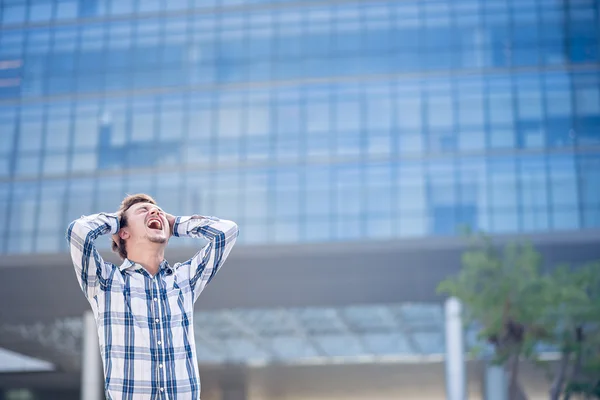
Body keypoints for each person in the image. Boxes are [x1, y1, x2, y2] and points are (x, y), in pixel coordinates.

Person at [66, 193, 239, 400]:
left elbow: (227, 232)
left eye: (158, 212)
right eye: (143, 211)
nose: (155, 212)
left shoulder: (184, 280)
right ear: (123, 233)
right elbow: (78, 232)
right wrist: (117, 221)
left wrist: (175, 224)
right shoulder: (105, 282)